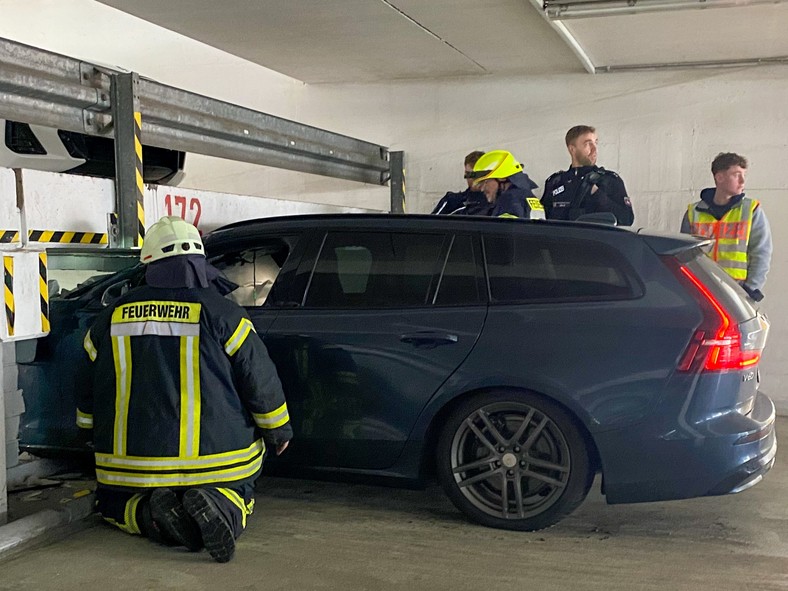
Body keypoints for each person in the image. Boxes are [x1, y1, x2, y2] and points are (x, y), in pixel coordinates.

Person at [76, 216, 292, 563]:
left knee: (113, 504)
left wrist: (86, 433)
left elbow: (86, 385)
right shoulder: (224, 313)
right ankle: (221, 505)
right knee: (240, 493)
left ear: (148, 263)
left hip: (132, 464)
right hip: (218, 462)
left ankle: (149, 513)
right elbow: (259, 378)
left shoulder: (110, 316)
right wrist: (278, 430)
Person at [681, 152, 772, 301]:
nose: (742, 181)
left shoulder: (751, 210)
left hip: (738, 292)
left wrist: (751, 288)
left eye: (744, 175)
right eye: (736, 175)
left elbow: (761, 253)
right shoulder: (693, 213)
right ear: (719, 177)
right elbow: (684, 255)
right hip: (702, 291)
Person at [541, 125, 634, 225]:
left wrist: (597, 194)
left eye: (595, 143)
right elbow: (541, 221)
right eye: (588, 144)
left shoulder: (610, 180)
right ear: (572, 149)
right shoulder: (556, 182)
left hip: (594, 239)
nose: (594, 149)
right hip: (562, 240)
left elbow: (627, 220)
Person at [459, 149, 545, 219]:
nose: (482, 189)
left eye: (485, 182)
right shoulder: (529, 198)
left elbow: (504, 237)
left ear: (502, 178)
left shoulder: (509, 200)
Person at [431, 150, 487, 215]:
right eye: (469, 174)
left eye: (477, 174)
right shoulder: (453, 201)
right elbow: (430, 223)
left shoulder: (496, 203)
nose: (473, 179)